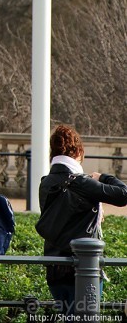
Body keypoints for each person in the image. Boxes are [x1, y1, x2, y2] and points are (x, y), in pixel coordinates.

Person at [38, 124, 127, 316]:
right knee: (87, 318)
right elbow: (123, 195)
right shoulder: (82, 182)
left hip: (53, 269)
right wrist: (103, 177)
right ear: (78, 151)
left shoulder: (45, 182)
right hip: (82, 268)